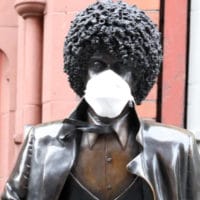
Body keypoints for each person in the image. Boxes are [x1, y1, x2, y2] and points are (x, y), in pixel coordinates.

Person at [2, 1, 200, 199]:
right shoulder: (41, 143)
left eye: (121, 65)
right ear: (81, 70)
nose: (109, 75)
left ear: (138, 73)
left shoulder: (177, 148)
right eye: (98, 64)